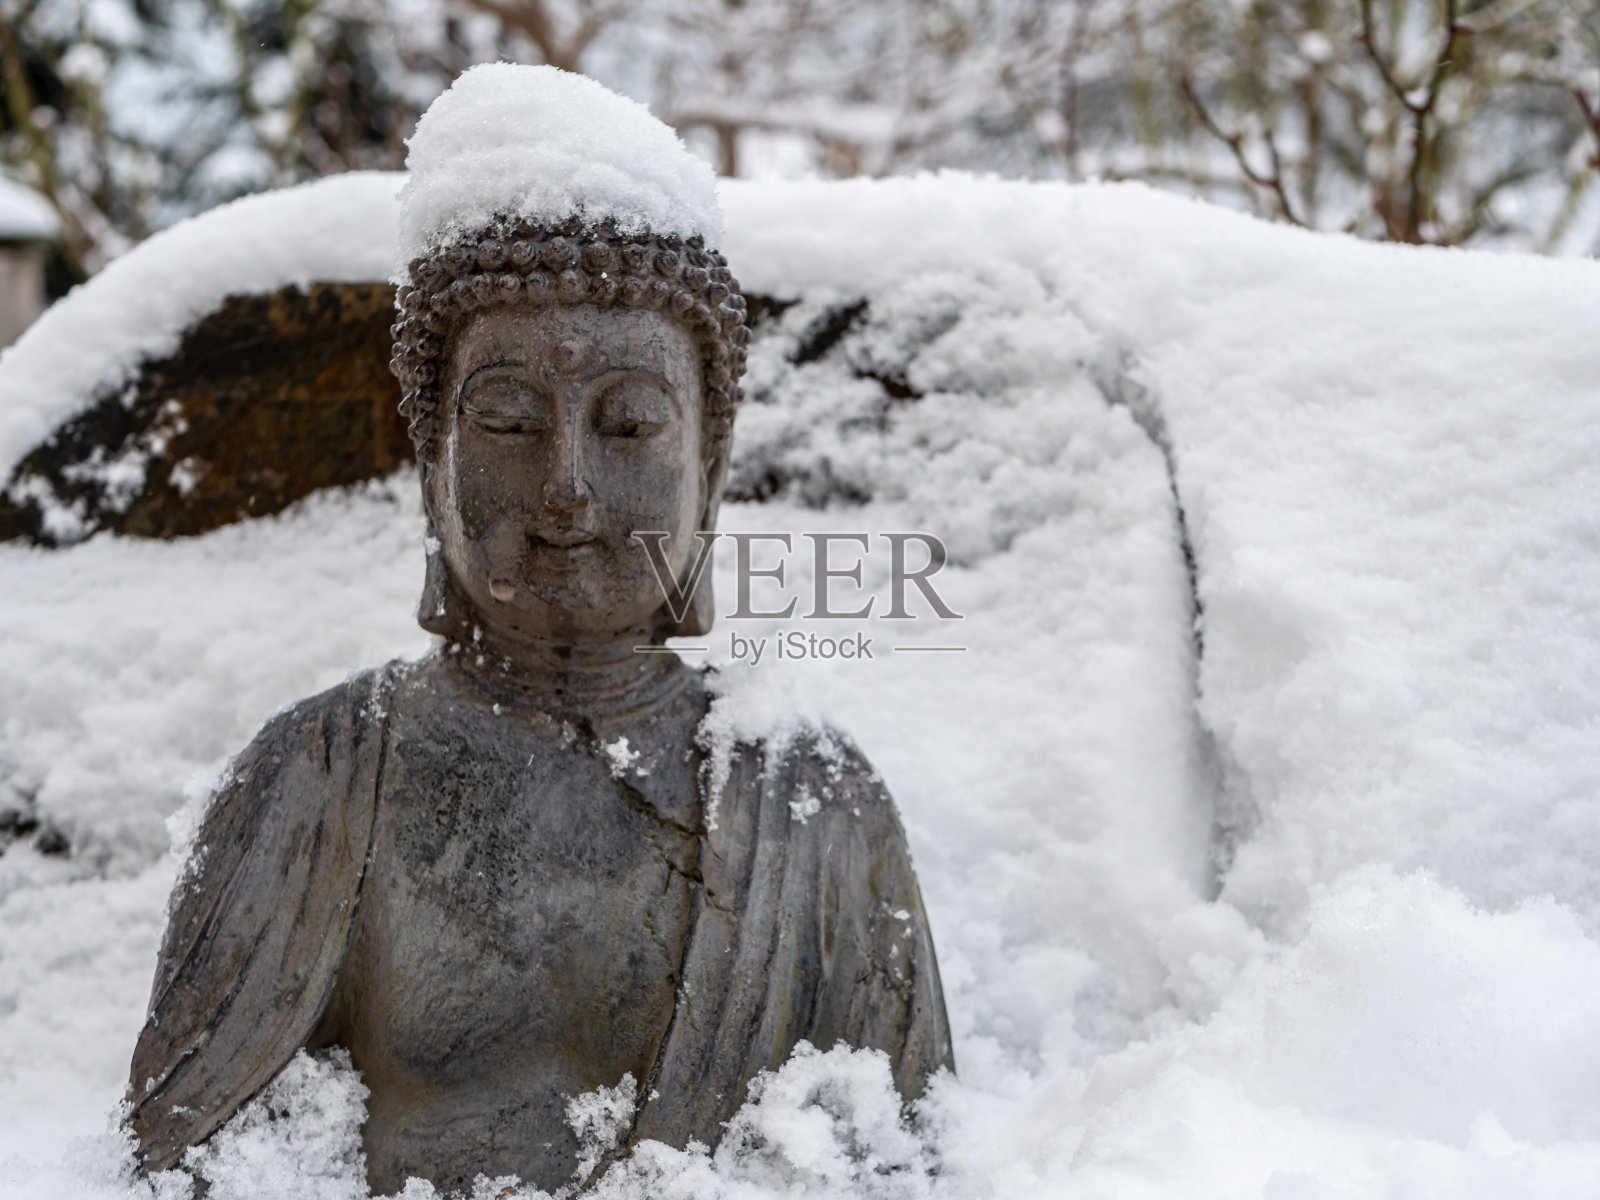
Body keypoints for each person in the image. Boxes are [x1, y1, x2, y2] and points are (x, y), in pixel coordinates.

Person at [126, 64, 952, 1196]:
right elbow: (191, 1162)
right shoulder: (315, 784)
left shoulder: (813, 811)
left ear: (707, 476)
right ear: (430, 466)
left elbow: (896, 1167)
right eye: (509, 419)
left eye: (629, 424)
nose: (566, 486)